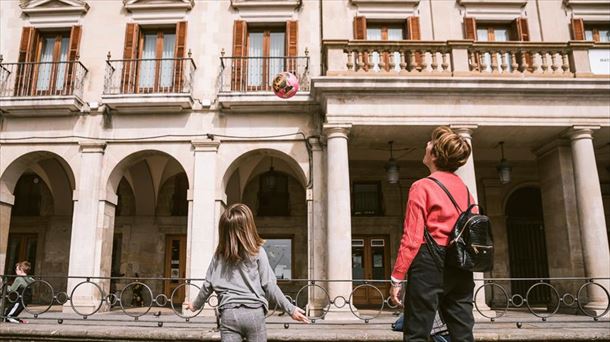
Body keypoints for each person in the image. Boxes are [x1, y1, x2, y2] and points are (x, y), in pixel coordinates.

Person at [389, 126, 475, 342]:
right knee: (463, 334)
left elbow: (412, 237)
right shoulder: (465, 189)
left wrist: (397, 278)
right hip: (461, 266)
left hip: (429, 264)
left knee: (417, 333)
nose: (426, 145)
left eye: (430, 143)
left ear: (435, 155)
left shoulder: (422, 186)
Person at [186, 203, 309, 341]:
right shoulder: (258, 252)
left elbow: (207, 285)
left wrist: (195, 305)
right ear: (248, 227)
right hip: (254, 313)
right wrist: (291, 309)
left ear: (224, 230)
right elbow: (269, 285)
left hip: (229, 313)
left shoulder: (219, 255)